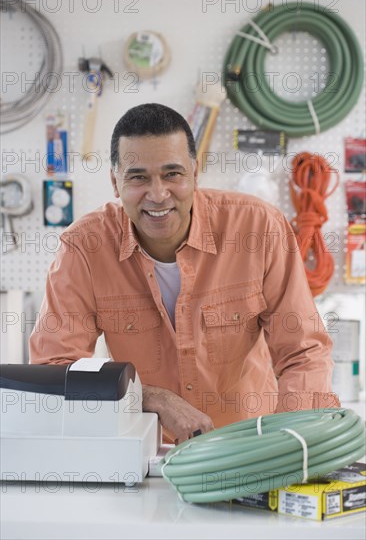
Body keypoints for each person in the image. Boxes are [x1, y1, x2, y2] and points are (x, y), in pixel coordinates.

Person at [30, 103, 340, 444]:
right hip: (147, 457)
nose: (158, 194)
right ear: (115, 182)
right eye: (138, 177)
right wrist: (151, 398)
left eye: (172, 174)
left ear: (195, 173)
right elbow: (54, 371)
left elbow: (304, 350)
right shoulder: (83, 248)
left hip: (251, 449)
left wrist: (289, 441)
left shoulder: (258, 228)